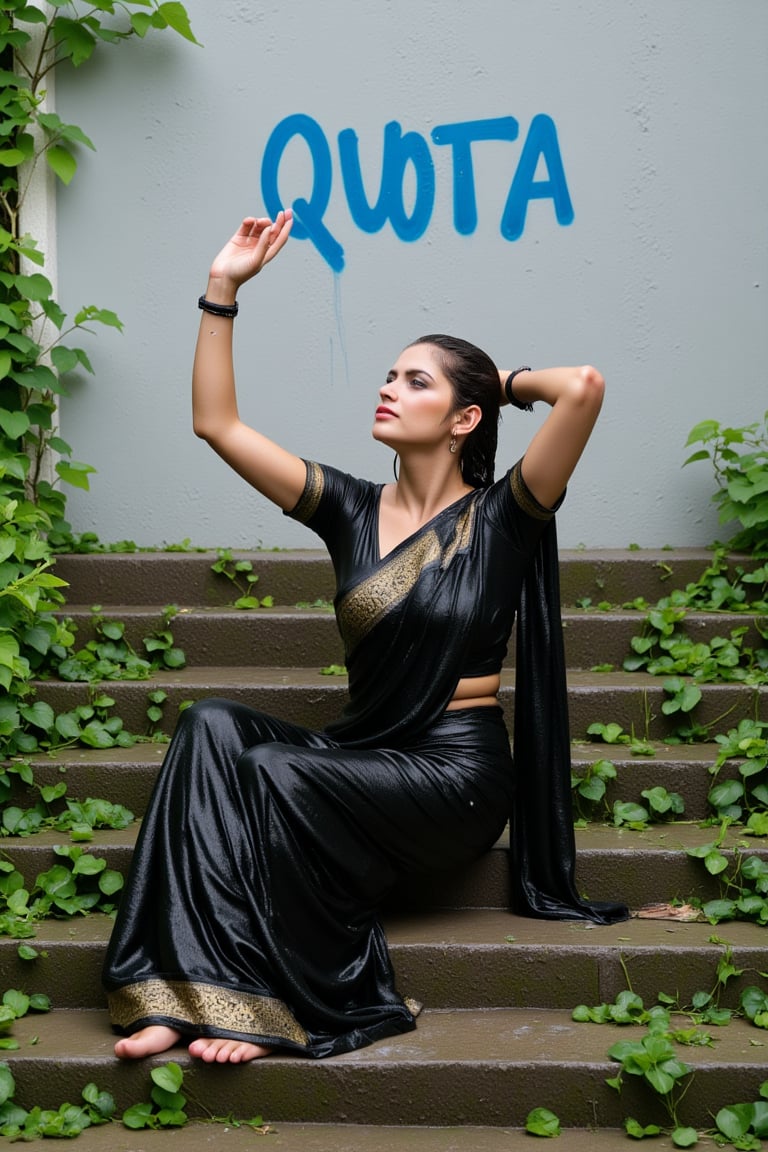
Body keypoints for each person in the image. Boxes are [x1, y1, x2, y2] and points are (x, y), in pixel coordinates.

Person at [103, 210, 627, 1065]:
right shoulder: (348, 507)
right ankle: (178, 991)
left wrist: (500, 378)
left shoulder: (503, 518)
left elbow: (585, 388)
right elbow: (217, 424)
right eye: (389, 374)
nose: (388, 387)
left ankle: (270, 1006)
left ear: (466, 418)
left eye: (417, 381)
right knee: (209, 727)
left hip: (451, 774)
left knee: (272, 768)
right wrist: (222, 290)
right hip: (365, 756)